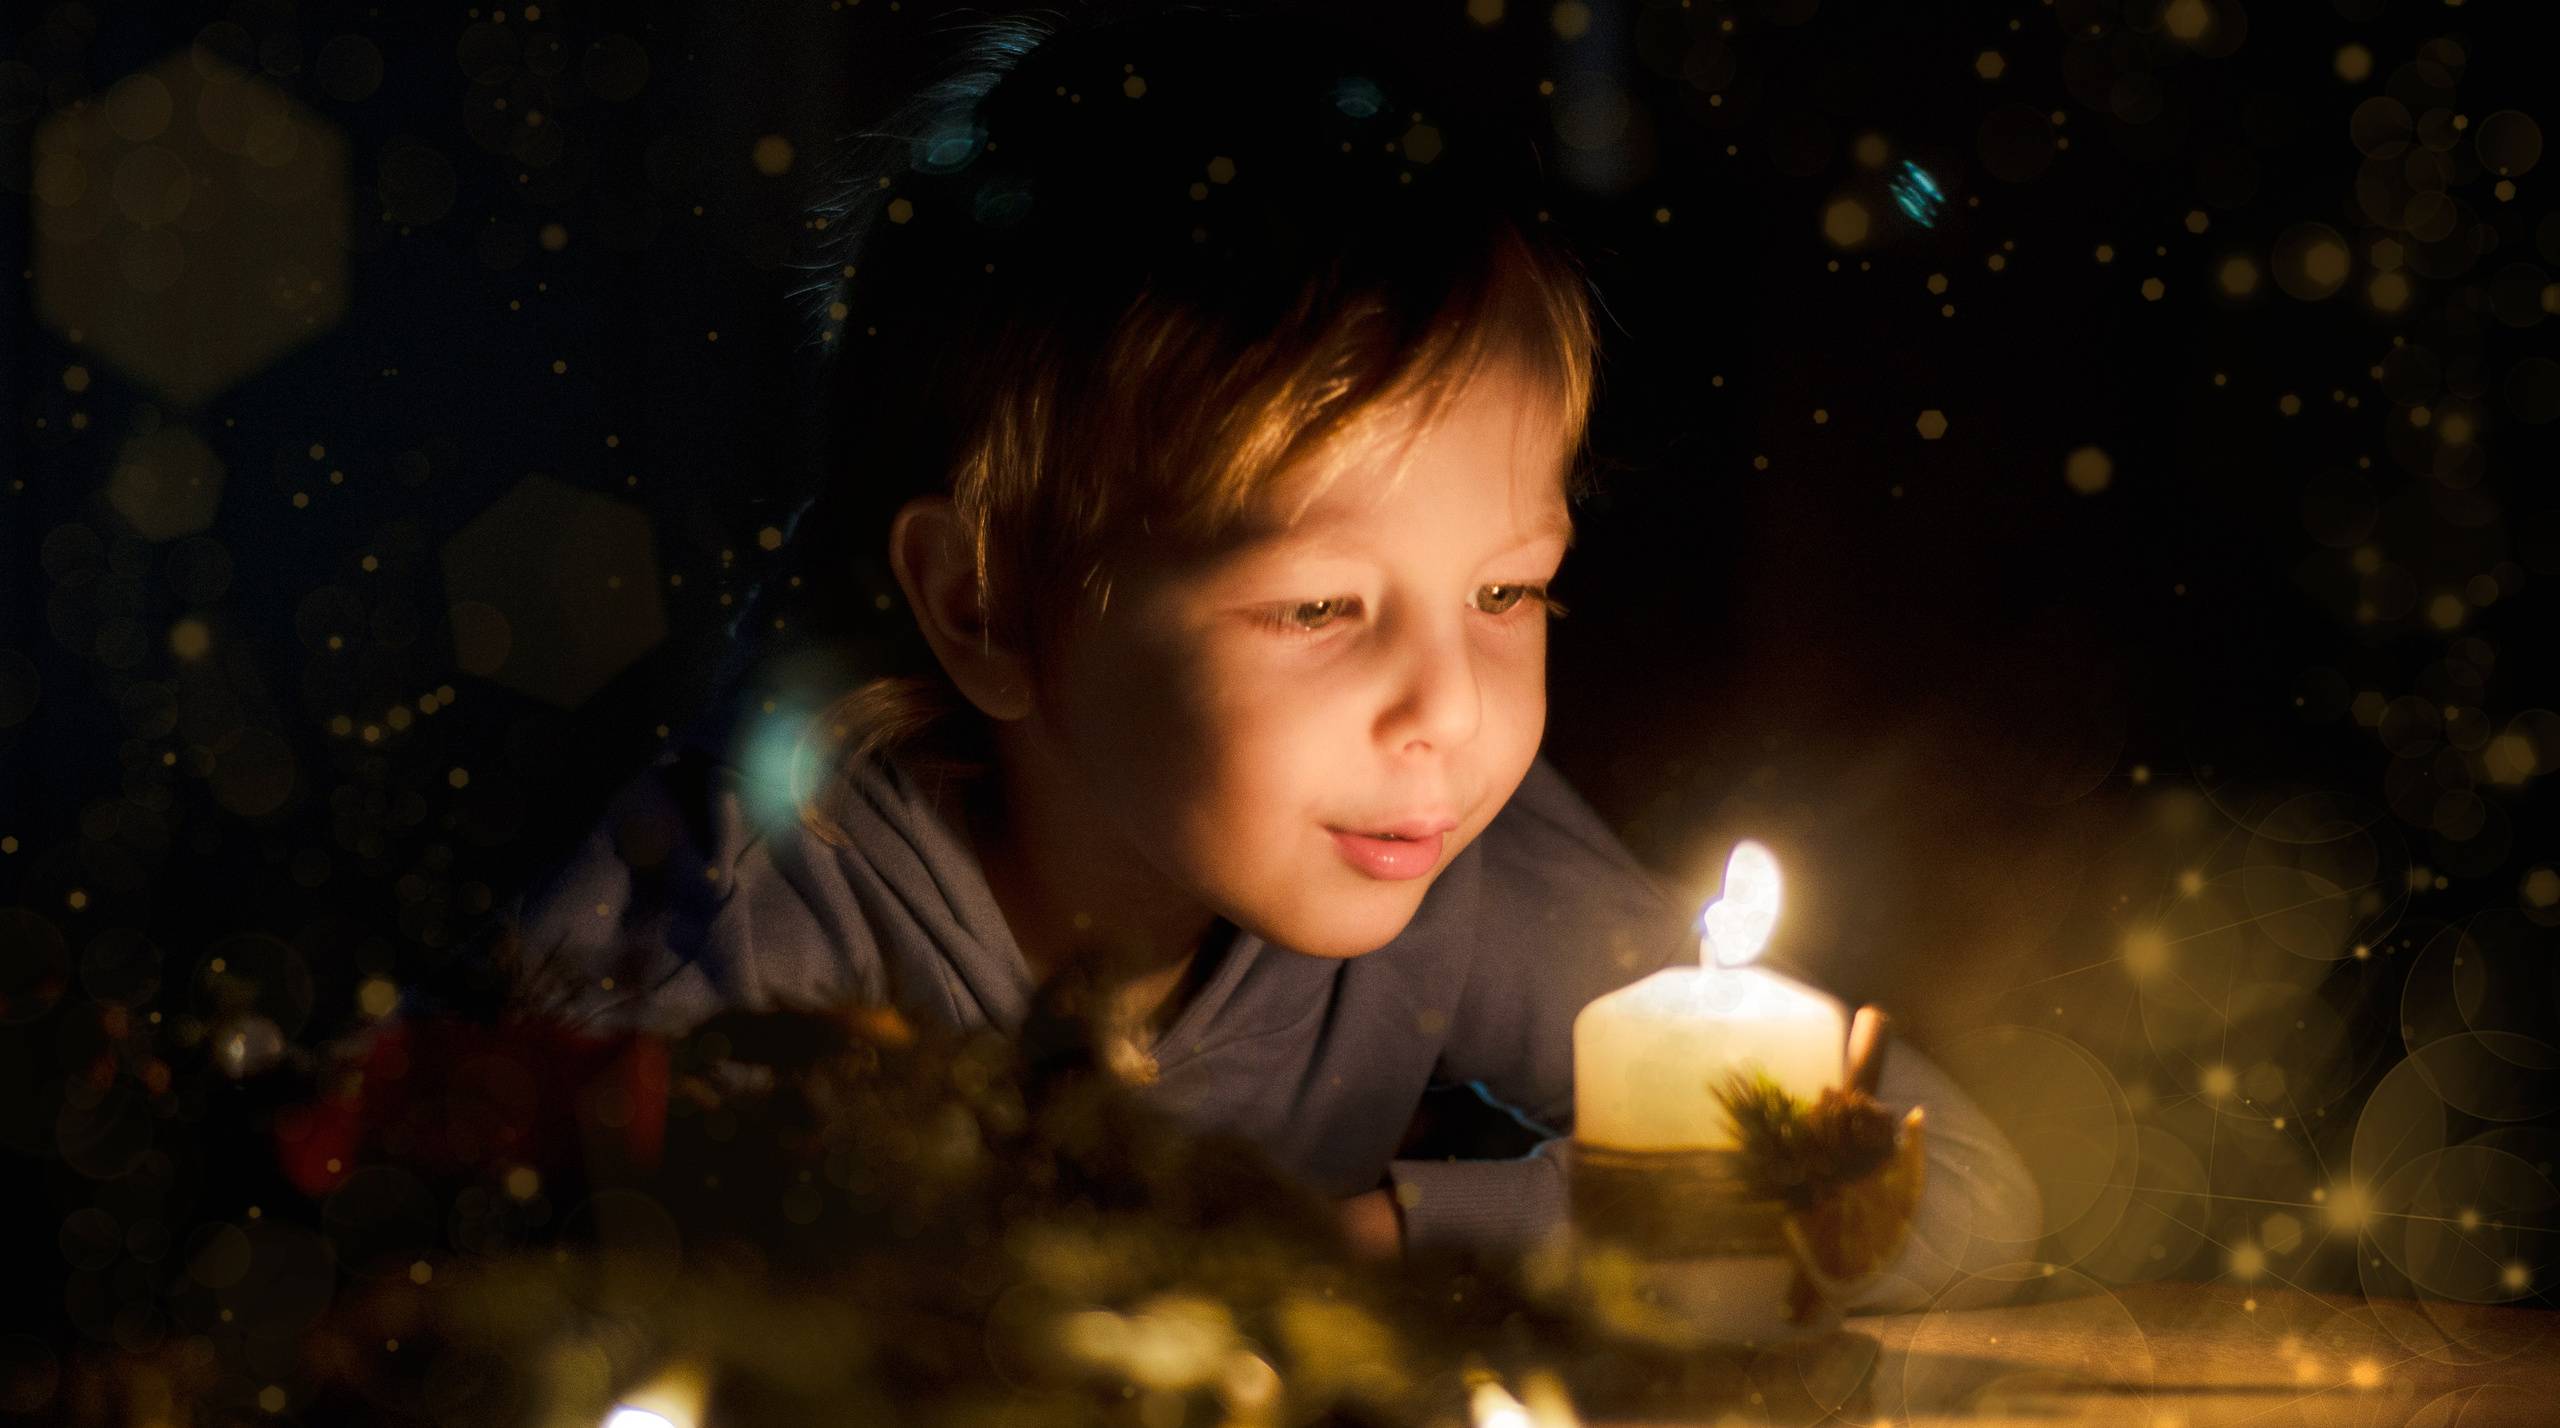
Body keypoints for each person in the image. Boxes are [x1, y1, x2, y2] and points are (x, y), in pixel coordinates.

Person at [473, 5, 2041, 1302]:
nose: (1448, 713)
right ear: (985, 604)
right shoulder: (745, 926)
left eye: (1507, 597)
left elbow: (1952, 1183)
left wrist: (1395, 1248)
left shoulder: (1446, 870)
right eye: (1317, 610)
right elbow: (474, 1295)